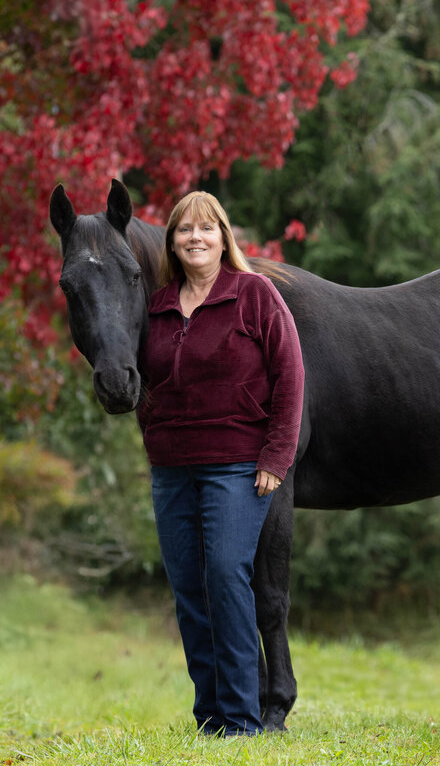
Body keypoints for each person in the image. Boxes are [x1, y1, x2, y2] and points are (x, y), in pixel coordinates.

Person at [137, 190, 304, 737]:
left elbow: (291, 377)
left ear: (224, 237)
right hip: (172, 471)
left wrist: (277, 456)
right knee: (189, 590)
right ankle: (209, 715)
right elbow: (146, 387)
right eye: (184, 230)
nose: (195, 238)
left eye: (207, 229)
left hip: (237, 467)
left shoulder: (254, 294)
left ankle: (242, 719)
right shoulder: (159, 306)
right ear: (172, 243)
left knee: (227, 580)